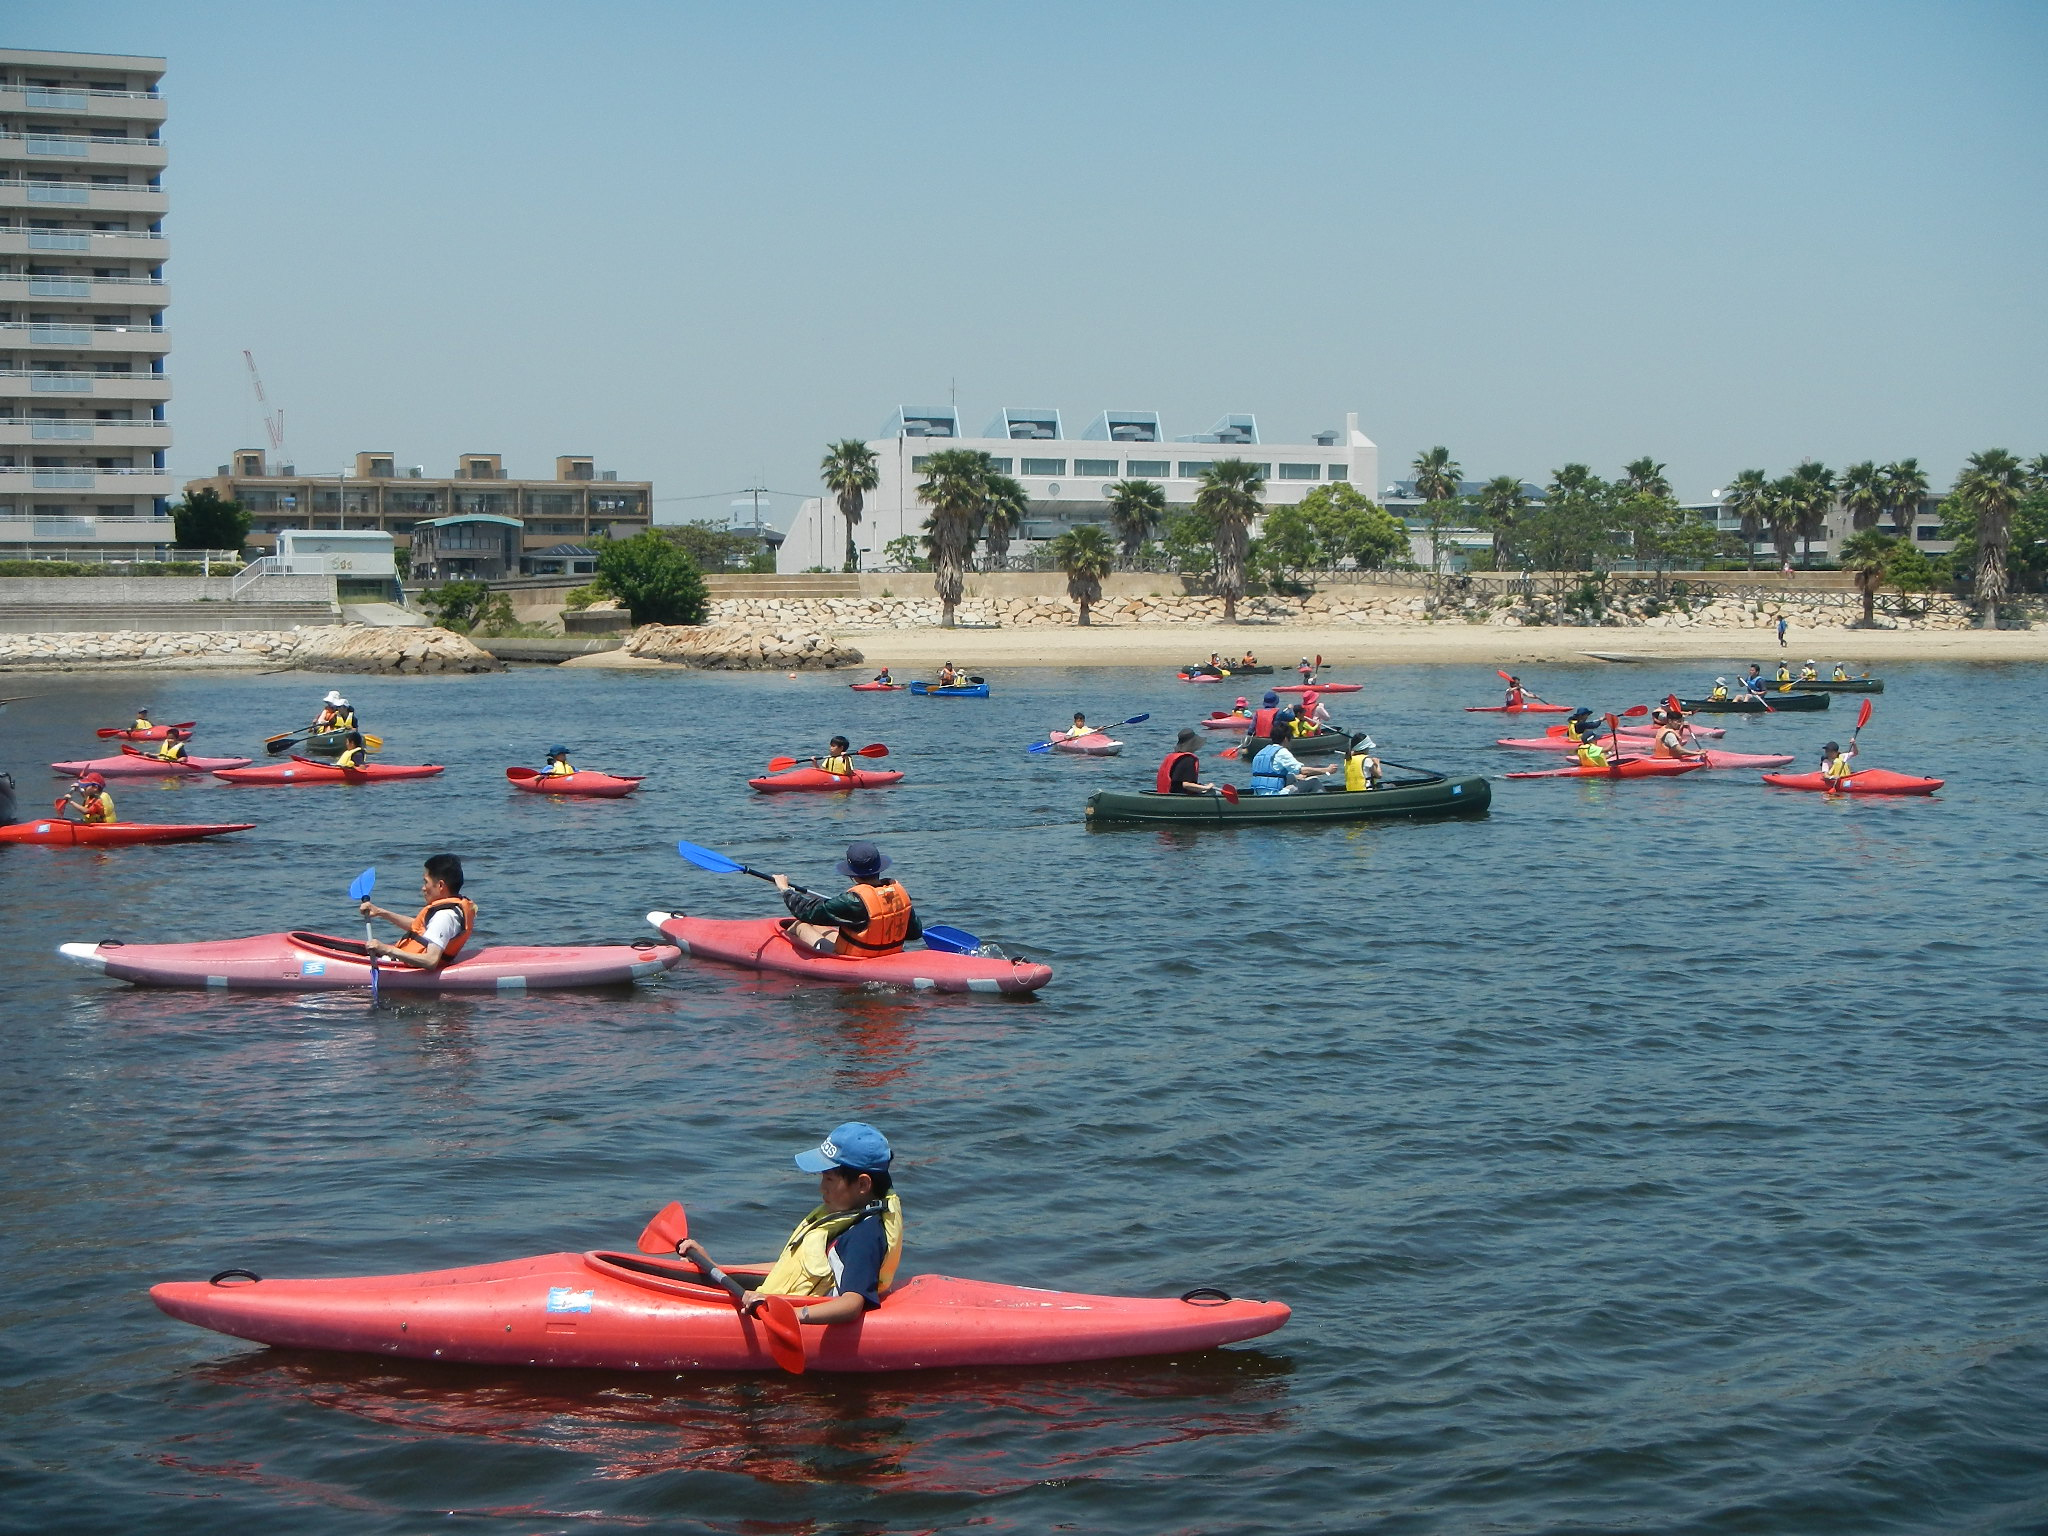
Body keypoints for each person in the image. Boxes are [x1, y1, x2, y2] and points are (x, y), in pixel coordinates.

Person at [675, 1122, 903, 1327]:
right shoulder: (843, 1215)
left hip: (796, 1314)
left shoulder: (863, 1235)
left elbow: (851, 1304)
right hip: (773, 1302)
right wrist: (715, 1266)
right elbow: (790, 1268)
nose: (821, 1188)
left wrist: (793, 1316)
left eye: (829, 1179)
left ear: (863, 1184)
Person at [774, 841, 921, 957]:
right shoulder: (900, 893)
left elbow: (805, 912)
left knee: (801, 925)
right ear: (879, 868)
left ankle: (783, 951)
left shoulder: (853, 901)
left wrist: (785, 890)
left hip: (857, 958)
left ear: (853, 875)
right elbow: (914, 933)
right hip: (889, 953)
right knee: (820, 927)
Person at [358, 853, 476, 969]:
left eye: (426, 882)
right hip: (401, 961)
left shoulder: (444, 917)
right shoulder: (449, 910)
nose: (423, 888)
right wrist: (380, 912)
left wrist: (388, 949)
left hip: (405, 967)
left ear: (440, 885)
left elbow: (431, 961)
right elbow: (418, 927)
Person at [1250, 726, 1334, 795]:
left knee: (1293, 778)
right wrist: (1326, 770)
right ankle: (1323, 805)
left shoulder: (1261, 752)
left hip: (1258, 794)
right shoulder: (1282, 752)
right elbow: (1302, 770)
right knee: (1314, 781)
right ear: (1286, 739)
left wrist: (1295, 777)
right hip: (1275, 795)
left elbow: (1271, 774)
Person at [1157, 728, 1221, 795]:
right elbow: (1185, 784)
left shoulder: (1174, 757)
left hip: (1167, 793)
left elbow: (1177, 783)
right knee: (1215, 793)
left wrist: (1200, 786)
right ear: (1193, 744)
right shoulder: (1188, 759)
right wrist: (1206, 787)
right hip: (1179, 795)